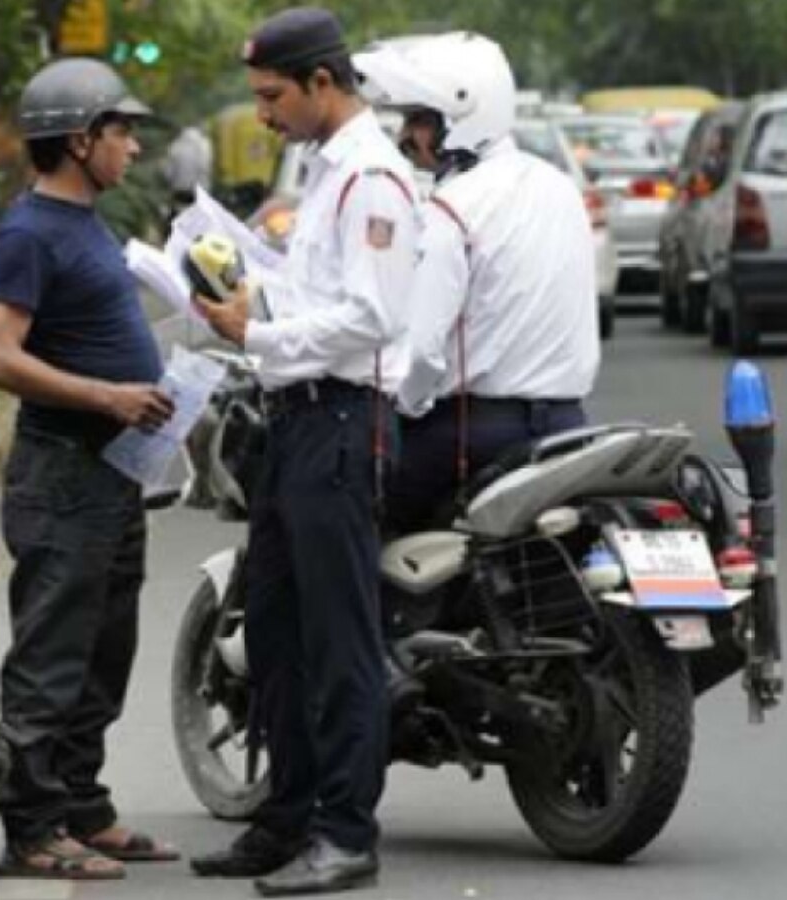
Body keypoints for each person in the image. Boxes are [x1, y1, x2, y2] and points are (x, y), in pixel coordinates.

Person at [188, 8, 420, 897]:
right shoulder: (326, 174)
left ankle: (345, 832)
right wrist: (251, 288)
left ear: (323, 83)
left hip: (341, 420)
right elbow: (317, 290)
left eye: (273, 95)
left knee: (338, 638)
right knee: (275, 631)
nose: (264, 114)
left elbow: (374, 317)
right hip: (295, 420)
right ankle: (284, 818)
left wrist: (259, 334)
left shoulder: (374, 180)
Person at [0, 57, 179, 881]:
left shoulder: (88, 223)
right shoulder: (28, 232)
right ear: (77, 139)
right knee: (53, 653)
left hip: (110, 476)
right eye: (121, 131)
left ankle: (83, 808)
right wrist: (108, 397)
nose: (132, 146)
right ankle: (31, 827)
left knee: (105, 648)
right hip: (61, 473)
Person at [354, 33, 600, 534]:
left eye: (419, 119)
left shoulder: (453, 208)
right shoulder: (560, 187)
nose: (406, 136)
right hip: (570, 426)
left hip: (473, 434)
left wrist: (399, 403)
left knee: (350, 514)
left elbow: (422, 353)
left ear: (461, 117)